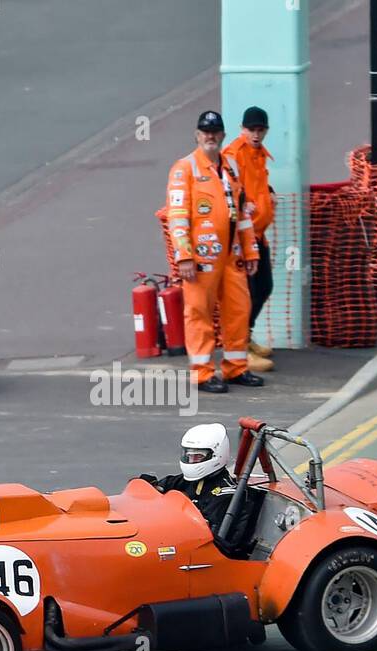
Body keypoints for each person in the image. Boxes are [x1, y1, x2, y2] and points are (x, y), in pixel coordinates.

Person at [164, 111, 266, 394]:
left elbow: (242, 213)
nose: (210, 136)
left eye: (215, 132)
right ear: (197, 135)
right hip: (200, 258)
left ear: (222, 135)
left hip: (232, 256)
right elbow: (178, 215)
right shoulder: (184, 169)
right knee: (199, 313)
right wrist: (183, 255)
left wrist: (251, 251)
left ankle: (236, 368)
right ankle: (202, 372)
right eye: (205, 132)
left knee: (238, 311)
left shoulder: (230, 166)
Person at [138, 423, 263, 558]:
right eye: (188, 456)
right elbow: (157, 489)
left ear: (216, 455)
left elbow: (214, 543)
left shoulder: (226, 495)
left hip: (209, 561)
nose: (191, 461)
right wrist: (147, 487)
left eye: (197, 457)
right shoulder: (187, 482)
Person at [222, 106, 276, 372]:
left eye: (260, 130)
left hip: (258, 234)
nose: (256, 134)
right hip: (243, 237)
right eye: (251, 129)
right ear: (242, 129)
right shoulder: (233, 155)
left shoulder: (259, 155)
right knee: (247, 293)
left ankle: (246, 336)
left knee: (264, 286)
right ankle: (239, 347)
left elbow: (257, 185)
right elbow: (230, 188)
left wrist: (269, 193)